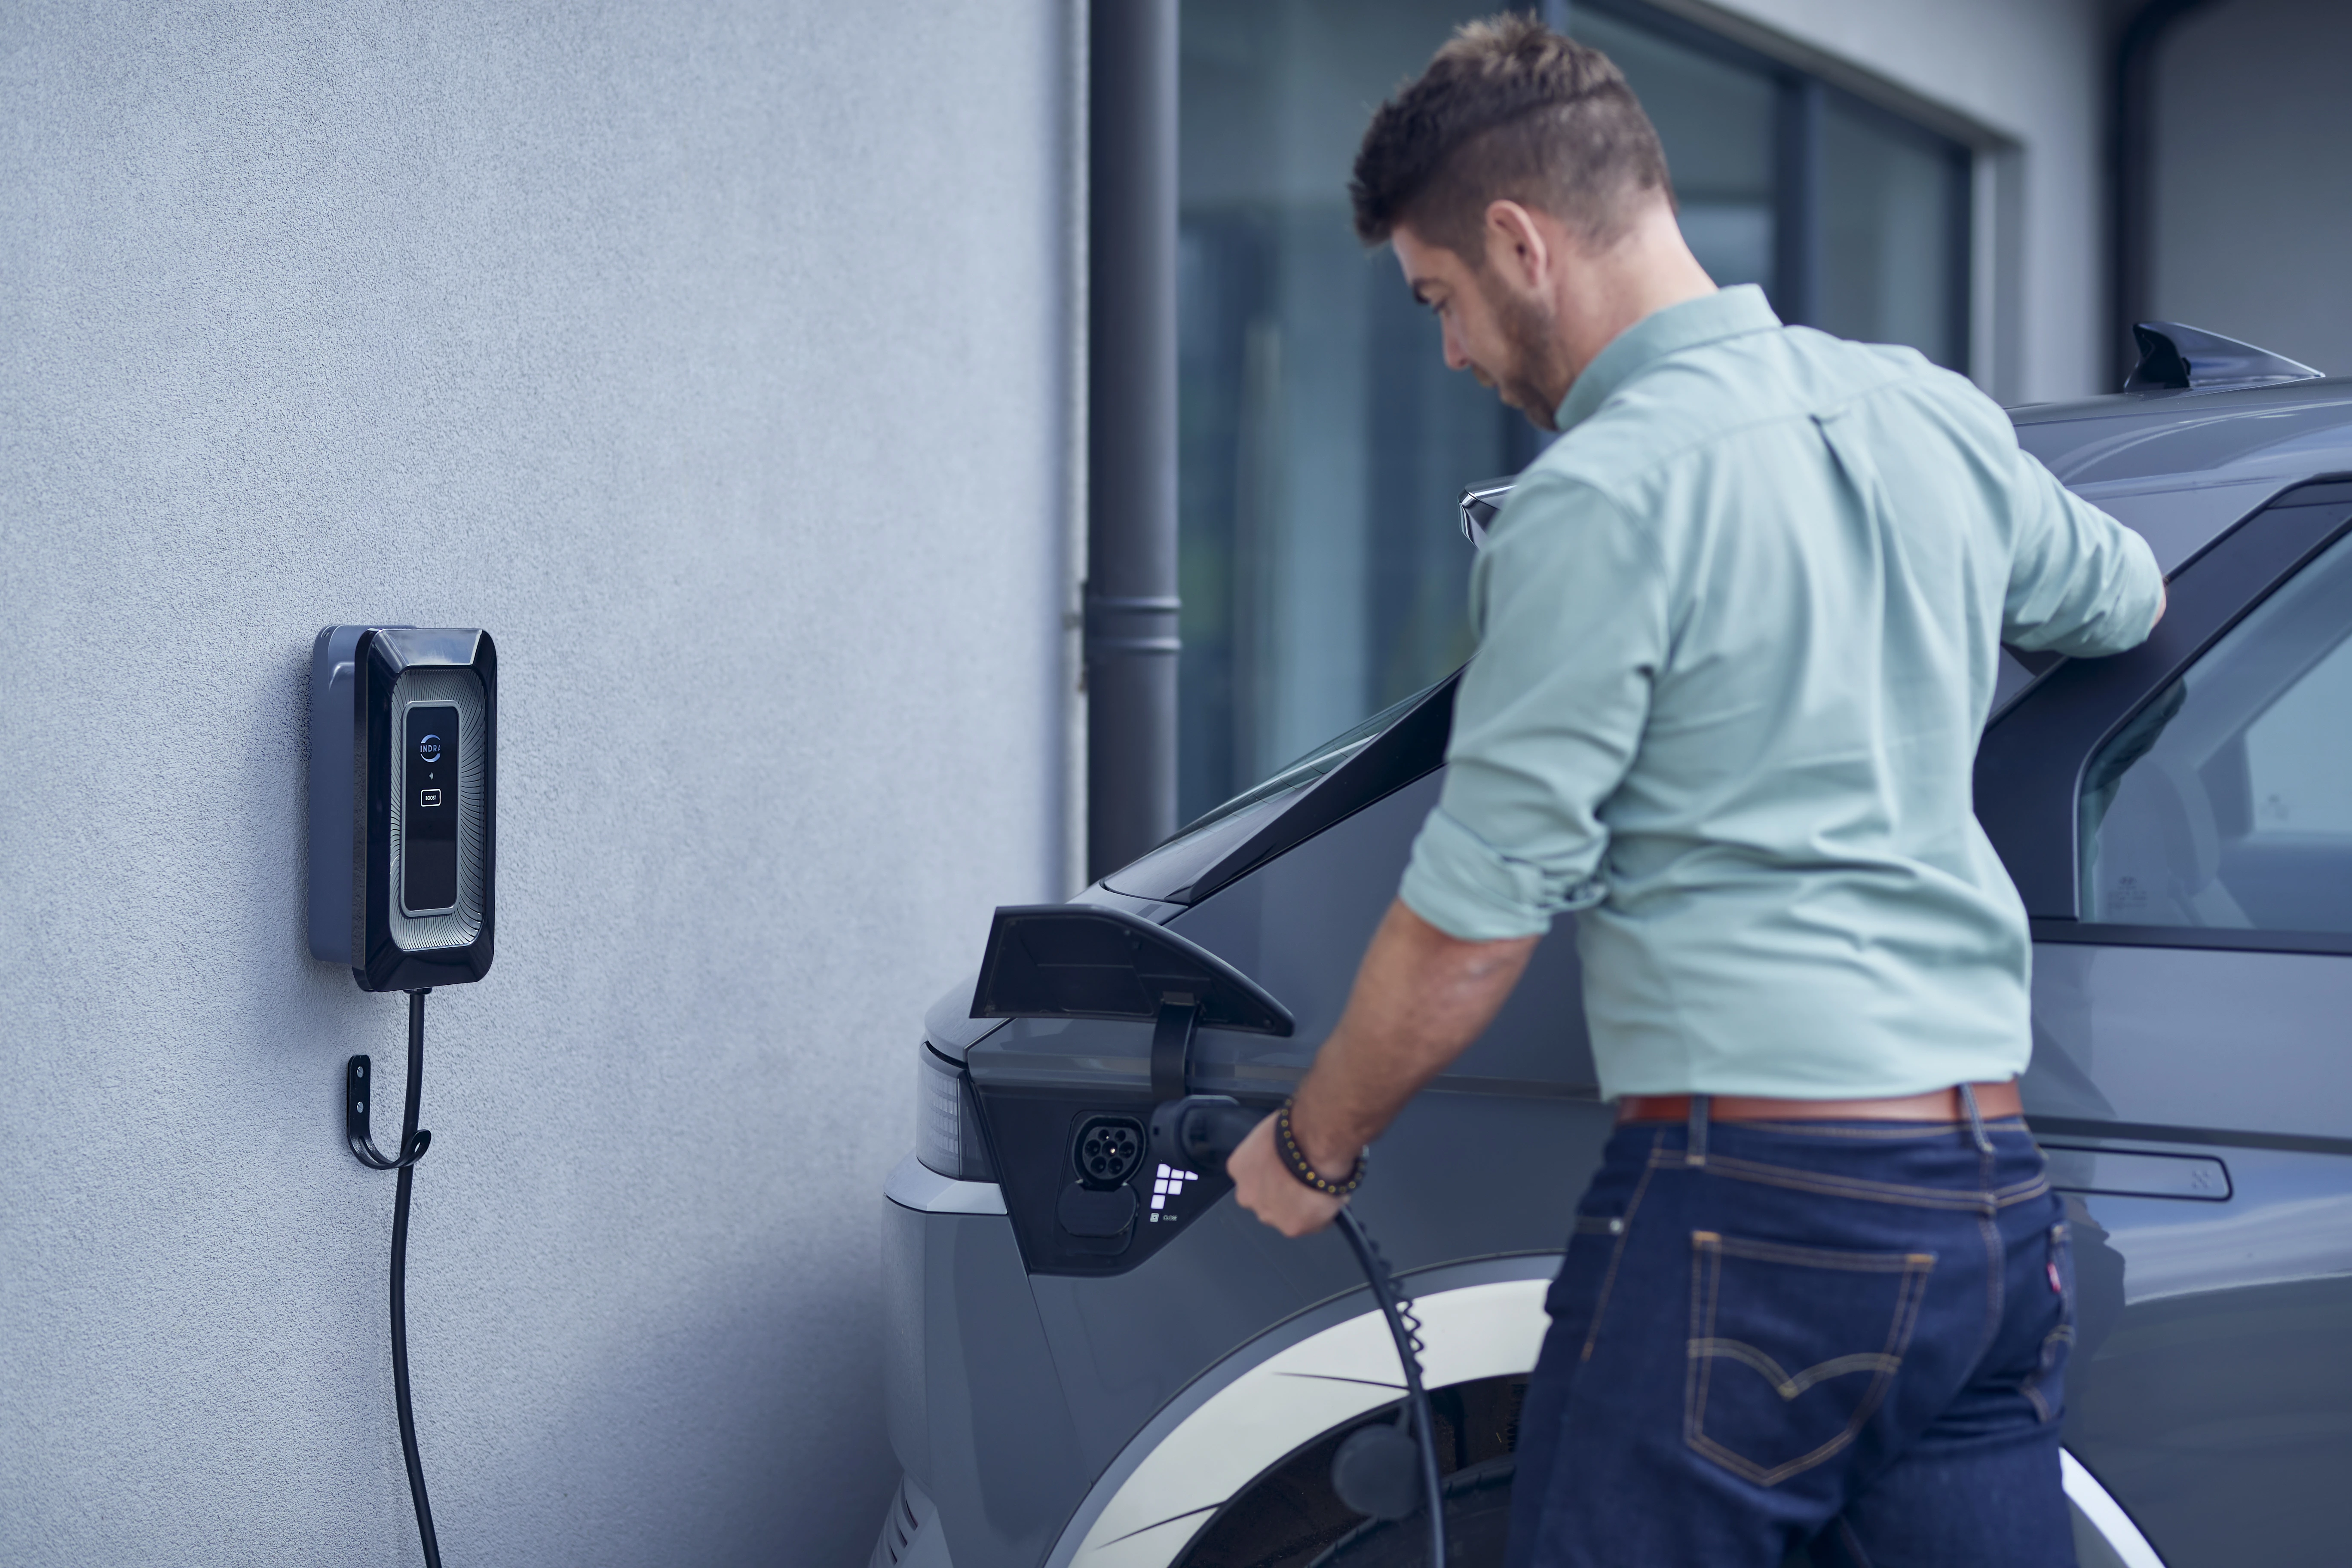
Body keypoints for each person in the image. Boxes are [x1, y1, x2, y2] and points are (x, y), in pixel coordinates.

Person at [1221, 16, 2165, 1567]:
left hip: (1761, 1219)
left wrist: (1316, 1147)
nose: (1449, 351)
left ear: (1520, 242)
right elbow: (2120, 602)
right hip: (1988, 1204)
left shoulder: (1599, 499)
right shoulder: (1922, 414)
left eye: (1440, 300)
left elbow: (1471, 929)